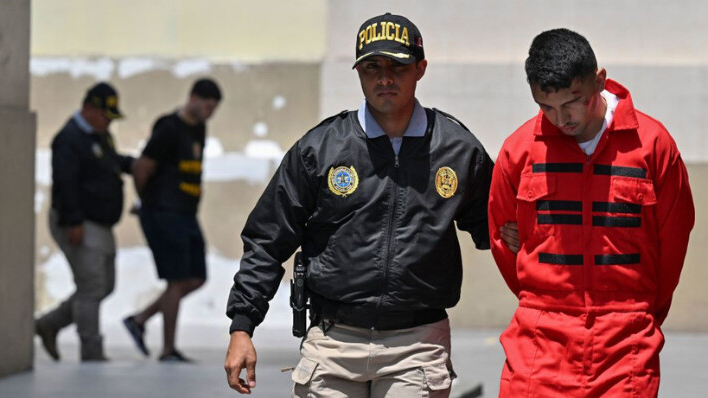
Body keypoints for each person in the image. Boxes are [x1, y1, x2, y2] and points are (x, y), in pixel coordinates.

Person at [224, 12, 494, 397]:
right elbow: (268, 240)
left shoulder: (457, 149)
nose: (384, 78)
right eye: (372, 67)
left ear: (420, 69)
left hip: (417, 345)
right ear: (359, 73)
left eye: (397, 66)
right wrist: (242, 326)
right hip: (332, 341)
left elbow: (501, 229)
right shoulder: (321, 148)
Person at [488, 28, 695, 397]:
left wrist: (636, 312)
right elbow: (504, 243)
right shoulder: (518, 152)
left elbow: (672, 246)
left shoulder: (652, 146)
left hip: (626, 346)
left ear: (599, 80)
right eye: (545, 107)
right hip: (538, 343)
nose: (560, 118)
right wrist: (544, 305)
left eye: (572, 102)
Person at [122, 78, 222, 362]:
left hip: (187, 214)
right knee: (177, 280)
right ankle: (167, 349)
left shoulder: (200, 128)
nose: (209, 112)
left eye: (213, 109)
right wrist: (147, 202)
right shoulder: (168, 127)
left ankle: (140, 320)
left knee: (196, 277)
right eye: (206, 106)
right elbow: (142, 168)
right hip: (163, 213)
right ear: (192, 98)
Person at [35, 82, 133, 362]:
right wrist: (73, 221)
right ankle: (91, 350)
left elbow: (110, 162)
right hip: (79, 221)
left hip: (101, 223)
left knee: (105, 285)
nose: (109, 123)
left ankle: (50, 323)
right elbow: (64, 183)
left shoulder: (101, 136)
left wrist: (132, 164)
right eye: (105, 116)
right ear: (89, 109)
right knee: (91, 285)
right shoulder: (69, 138)